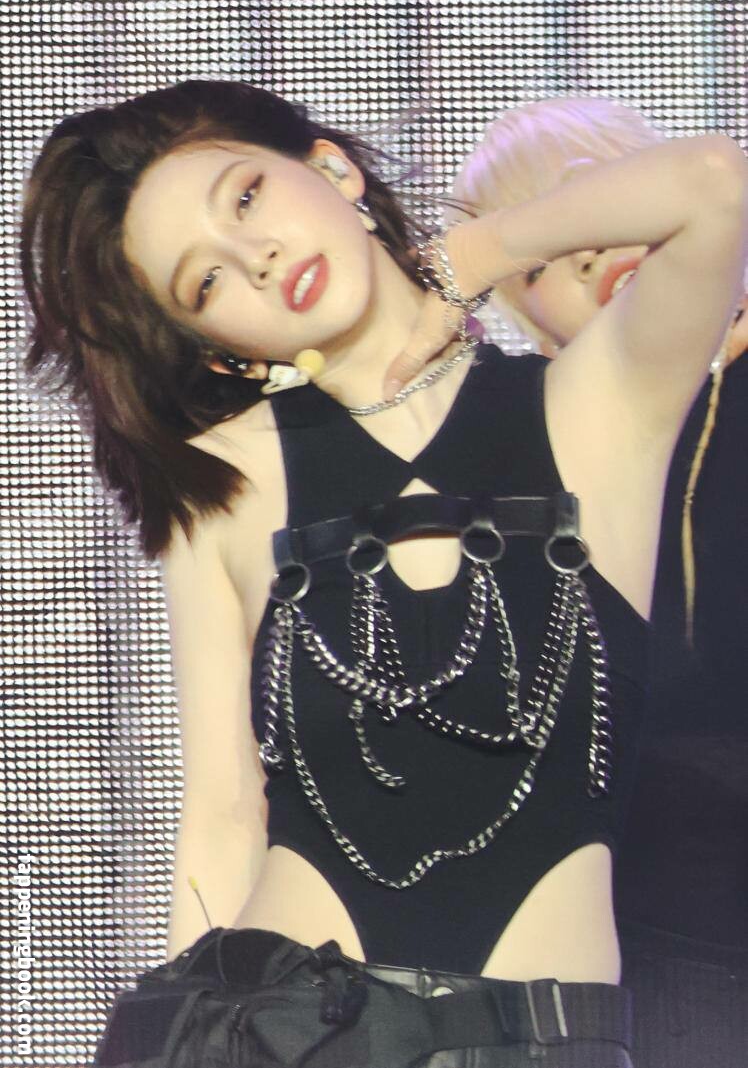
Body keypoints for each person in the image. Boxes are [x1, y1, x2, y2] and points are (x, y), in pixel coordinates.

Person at [20, 80, 748, 1068]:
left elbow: (713, 181)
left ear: (330, 167)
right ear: (215, 349)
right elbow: (223, 817)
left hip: (550, 1037)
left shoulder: (597, 403)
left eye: (246, 197)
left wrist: (471, 257)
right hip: (289, 1035)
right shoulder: (224, 483)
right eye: (205, 282)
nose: (256, 256)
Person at [445, 94, 748, 1068]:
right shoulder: (538, 477)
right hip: (669, 950)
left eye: (594, 197)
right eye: (535, 260)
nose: (581, 252)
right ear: (530, 324)